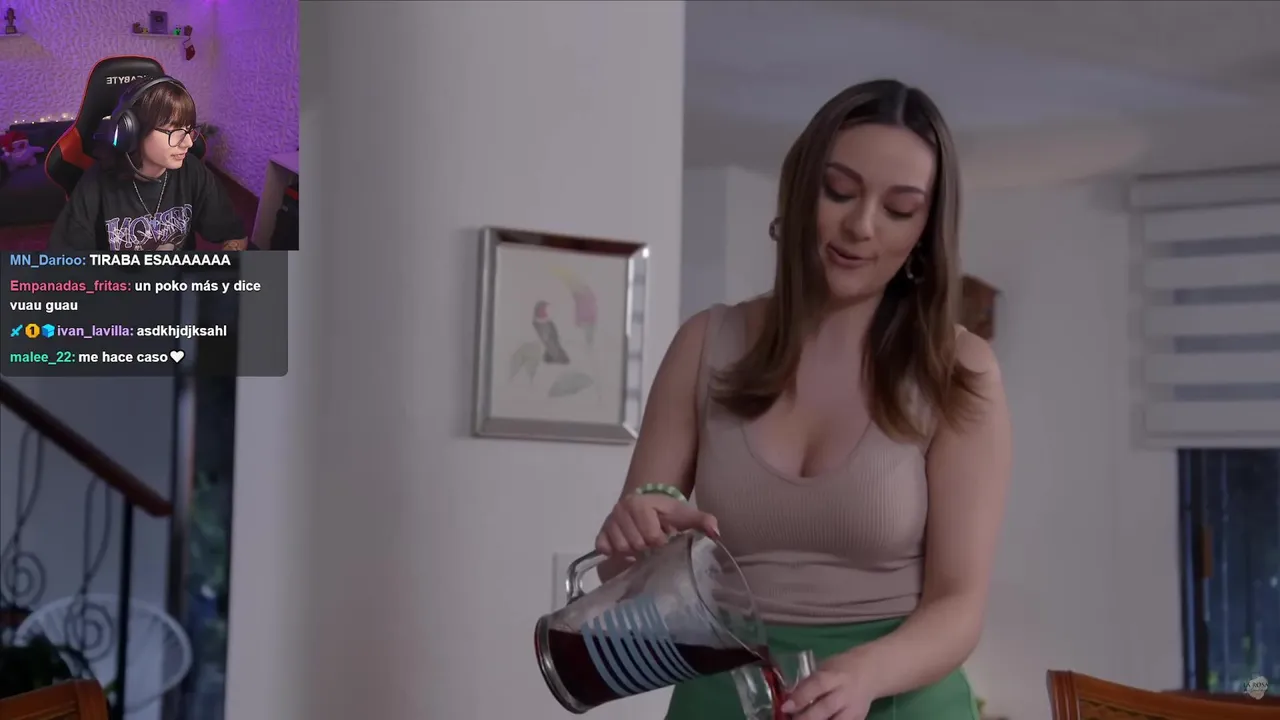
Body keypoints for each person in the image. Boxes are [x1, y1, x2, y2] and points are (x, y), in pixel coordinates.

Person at [592, 79, 1012, 720]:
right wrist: (629, 539)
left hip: (893, 696)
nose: (860, 226)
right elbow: (631, 575)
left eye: (899, 208)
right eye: (838, 191)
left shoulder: (959, 369)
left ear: (925, 231)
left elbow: (960, 606)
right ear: (799, 188)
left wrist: (864, 675)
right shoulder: (705, 345)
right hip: (725, 695)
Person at [48, 77, 247, 252]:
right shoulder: (96, 183)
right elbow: (65, 261)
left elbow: (235, 235)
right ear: (131, 131)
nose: (188, 142)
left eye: (189, 130)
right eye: (174, 131)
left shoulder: (192, 171)